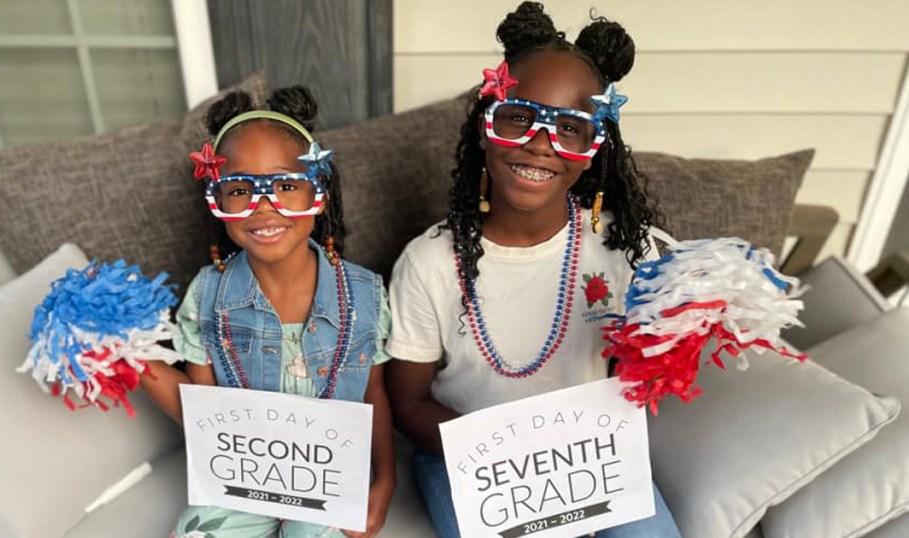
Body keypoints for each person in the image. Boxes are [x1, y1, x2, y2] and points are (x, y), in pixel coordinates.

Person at [384, 3, 681, 537]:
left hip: (591, 457)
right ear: (485, 126)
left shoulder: (624, 249)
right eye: (518, 117)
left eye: (571, 128)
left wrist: (578, 480)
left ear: (595, 150)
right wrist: (521, 473)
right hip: (465, 458)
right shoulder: (428, 263)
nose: (540, 143)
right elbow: (408, 403)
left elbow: (636, 381)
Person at [142, 86, 395, 538]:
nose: (263, 206)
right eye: (240, 189)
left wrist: (385, 482)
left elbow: (374, 394)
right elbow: (205, 414)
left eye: (285, 186)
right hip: (241, 480)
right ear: (217, 199)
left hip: (330, 479)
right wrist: (131, 355)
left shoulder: (364, 293)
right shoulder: (207, 295)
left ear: (319, 192)